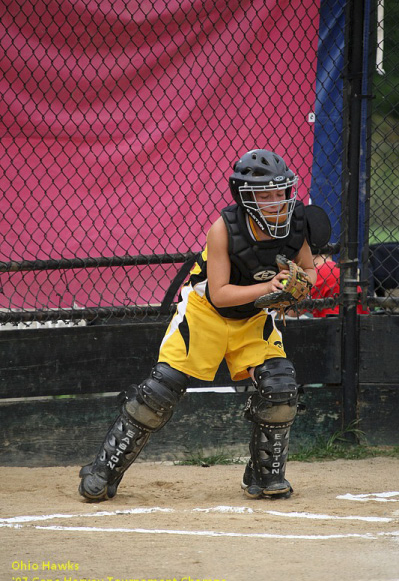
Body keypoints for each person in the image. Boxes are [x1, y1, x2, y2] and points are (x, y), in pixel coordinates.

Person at [79, 149, 317, 502]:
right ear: (244, 196)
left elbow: (309, 269)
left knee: (281, 386)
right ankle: (103, 468)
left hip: (252, 317)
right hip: (204, 315)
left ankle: (265, 474)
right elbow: (219, 294)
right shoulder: (224, 229)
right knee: (159, 393)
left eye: (280, 192)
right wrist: (269, 287)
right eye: (263, 194)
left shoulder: (296, 223)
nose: (275, 201)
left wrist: (300, 286)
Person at [311, 253, 368, 317]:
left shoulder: (317, 273)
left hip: (332, 323)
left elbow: (298, 310)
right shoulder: (342, 270)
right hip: (358, 320)